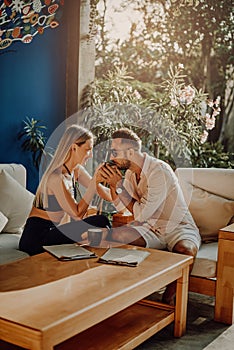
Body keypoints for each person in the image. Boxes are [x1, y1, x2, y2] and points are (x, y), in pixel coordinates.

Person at [98, 128, 201, 304]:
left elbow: (142, 213)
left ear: (130, 152)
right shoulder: (130, 174)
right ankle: (117, 289)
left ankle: (168, 299)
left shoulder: (159, 171)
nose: (112, 157)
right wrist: (114, 185)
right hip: (151, 228)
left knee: (185, 250)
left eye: (115, 152)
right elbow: (121, 205)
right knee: (117, 235)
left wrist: (119, 186)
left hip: (178, 227)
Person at [19, 124, 111, 256]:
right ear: (74, 147)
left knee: (101, 222)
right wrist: (93, 184)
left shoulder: (76, 171)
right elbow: (77, 214)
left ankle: (107, 259)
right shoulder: (56, 177)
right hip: (36, 238)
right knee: (100, 222)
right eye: (88, 149)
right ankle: (107, 258)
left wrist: (118, 188)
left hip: (54, 231)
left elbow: (103, 192)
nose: (90, 155)